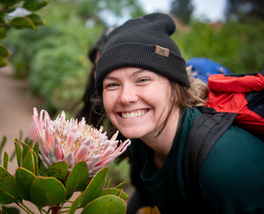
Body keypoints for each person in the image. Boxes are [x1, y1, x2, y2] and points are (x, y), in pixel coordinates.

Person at [94, 13, 264, 214]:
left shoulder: (225, 168)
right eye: (112, 84)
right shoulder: (142, 142)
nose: (125, 97)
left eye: (143, 80)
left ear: (177, 89)